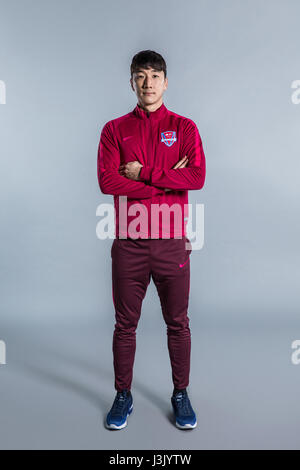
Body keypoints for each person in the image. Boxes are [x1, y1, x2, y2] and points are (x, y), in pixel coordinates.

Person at [97, 50, 206, 430]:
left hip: (172, 242)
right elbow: (108, 182)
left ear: (165, 81)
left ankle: (181, 393)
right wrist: (163, 182)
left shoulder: (185, 127)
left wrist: (142, 173)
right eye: (141, 76)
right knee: (125, 324)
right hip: (130, 241)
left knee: (178, 322)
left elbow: (196, 178)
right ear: (131, 81)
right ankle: (123, 395)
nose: (148, 83)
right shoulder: (113, 129)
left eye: (155, 75)